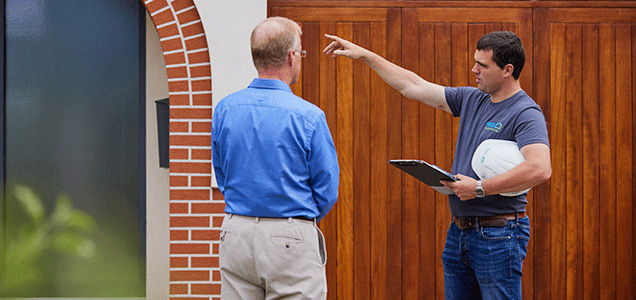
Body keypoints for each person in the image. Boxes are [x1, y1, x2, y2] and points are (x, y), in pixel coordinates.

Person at [324, 31, 551, 299]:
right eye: (475, 61)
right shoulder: (472, 99)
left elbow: (540, 168)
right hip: (459, 232)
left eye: (483, 65)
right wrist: (366, 56)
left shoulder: (525, 113)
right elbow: (413, 86)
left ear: (507, 70)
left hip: (499, 236)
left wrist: (480, 188)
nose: (474, 69)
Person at [212, 17, 339, 300]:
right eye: (301, 53)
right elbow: (327, 189)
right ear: (292, 57)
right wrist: (295, 221)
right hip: (289, 234)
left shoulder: (224, 109)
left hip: (236, 232)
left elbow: (222, 173)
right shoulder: (309, 116)